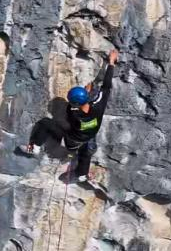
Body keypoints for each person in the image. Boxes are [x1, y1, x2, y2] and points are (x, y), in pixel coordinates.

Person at [21, 49, 119, 182]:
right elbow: (106, 86)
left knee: (45, 123)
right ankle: (82, 174)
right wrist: (111, 62)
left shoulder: (72, 111)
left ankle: (34, 147)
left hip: (70, 142)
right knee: (88, 150)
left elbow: (76, 108)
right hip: (88, 139)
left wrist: (86, 93)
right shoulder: (98, 106)